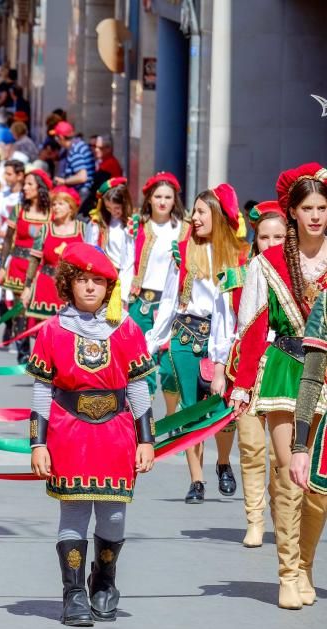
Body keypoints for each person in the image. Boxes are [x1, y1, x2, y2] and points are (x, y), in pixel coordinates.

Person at [28, 242, 156, 627]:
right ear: (68, 284)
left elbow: (137, 389)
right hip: (69, 431)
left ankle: (103, 581)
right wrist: (38, 444)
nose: (88, 288)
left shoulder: (126, 328)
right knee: (74, 511)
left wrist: (147, 440)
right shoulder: (51, 331)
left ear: (108, 287)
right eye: (81, 280)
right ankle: (73, 594)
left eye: (97, 281)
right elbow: (41, 392)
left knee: (114, 514)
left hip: (116, 434)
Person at [234, 164, 327, 608]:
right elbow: (253, 327)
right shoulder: (266, 264)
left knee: (321, 487)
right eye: (307, 208)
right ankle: (288, 572)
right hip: (286, 371)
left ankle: (306, 565)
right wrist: (240, 382)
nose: (315, 216)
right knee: (292, 475)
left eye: (322, 208)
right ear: (291, 212)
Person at [145, 183, 249, 503]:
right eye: (194, 212)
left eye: (202, 212)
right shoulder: (181, 252)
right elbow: (167, 302)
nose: (195, 218)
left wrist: (224, 356)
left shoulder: (236, 258)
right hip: (184, 336)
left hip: (224, 340)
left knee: (221, 407)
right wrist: (152, 343)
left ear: (216, 216)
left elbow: (229, 312)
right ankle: (197, 480)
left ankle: (222, 464)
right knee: (191, 409)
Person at [224, 201, 287, 550]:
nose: (272, 242)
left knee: (282, 454)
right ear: (255, 238)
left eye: (279, 236)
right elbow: (225, 326)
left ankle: (281, 514)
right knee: (251, 447)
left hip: (283, 371)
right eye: (265, 236)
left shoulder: (300, 276)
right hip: (243, 369)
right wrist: (220, 369)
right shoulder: (237, 276)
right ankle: (254, 519)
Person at [128, 173, 189, 398]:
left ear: (175, 200)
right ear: (149, 199)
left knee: (171, 366)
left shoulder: (187, 228)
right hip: (141, 302)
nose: (162, 201)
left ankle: (171, 419)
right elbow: (126, 264)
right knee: (140, 364)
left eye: (168, 197)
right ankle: (143, 421)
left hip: (174, 304)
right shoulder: (137, 226)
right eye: (158, 196)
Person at [0, 168, 52, 363]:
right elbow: (7, 240)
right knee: (20, 311)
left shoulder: (51, 213)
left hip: (41, 269)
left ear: (40, 187)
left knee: (40, 312)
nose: (26, 188)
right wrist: (2, 266)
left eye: (30, 184)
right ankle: (23, 355)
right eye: (25, 184)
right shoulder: (19, 210)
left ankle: (42, 354)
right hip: (18, 266)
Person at [22, 186, 86, 320]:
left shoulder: (83, 229)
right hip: (46, 287)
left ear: (71, 207)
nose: (56, 207)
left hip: (72, 289)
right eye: (54, 204)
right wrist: (27, 288)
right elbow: (34, 260)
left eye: (60, 204)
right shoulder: (45, 230)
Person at [85, 178, 135, 305]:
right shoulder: (98, 223)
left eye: (117, 208)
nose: (113, 212)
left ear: (125, 203)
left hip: (124, 278)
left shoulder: (133, 224)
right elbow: (89, 250)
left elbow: (130, 260)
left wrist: (123, 292)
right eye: (108, 208)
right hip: (103, 275)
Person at [51, 121, 94, 200]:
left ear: (61, 137)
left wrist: (64, 181)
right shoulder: (79, 144)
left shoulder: (75, 151)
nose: (56, 140)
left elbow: (82, 177)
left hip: (82, 192)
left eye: (56, 138)